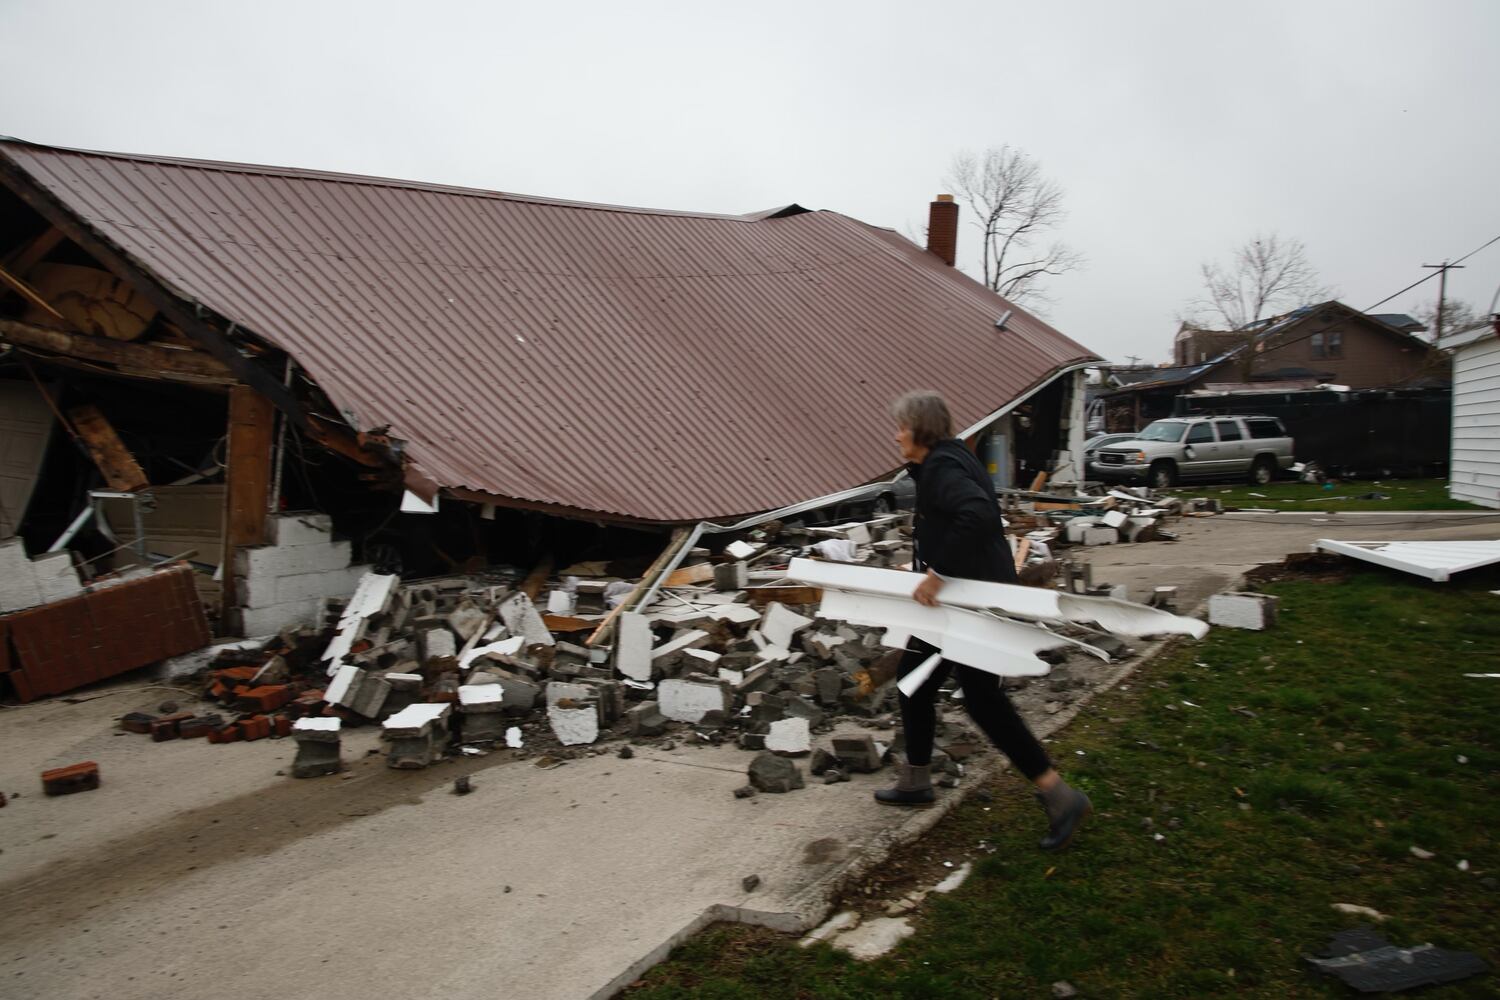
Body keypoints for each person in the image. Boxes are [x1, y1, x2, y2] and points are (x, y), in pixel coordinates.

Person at [875, 389, 1091, 851]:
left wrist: (936, 574)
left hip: (968, 604)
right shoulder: (945, 461)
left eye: (901, 427)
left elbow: (976, 515)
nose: (896, 436)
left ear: (920, 430)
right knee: (914, 683)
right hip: (957, 602)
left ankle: (1058, 794)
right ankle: (916, 780)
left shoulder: (941, 467)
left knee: (983, 702)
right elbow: (961, 521)